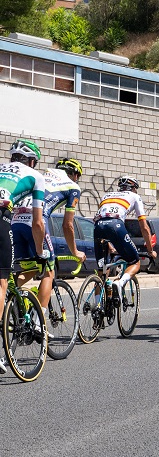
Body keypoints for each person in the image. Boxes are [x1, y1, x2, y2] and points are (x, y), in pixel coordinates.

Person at [0, 139, 48, 372]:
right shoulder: (34, 175)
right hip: (3, 216)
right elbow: (38, 223)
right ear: (31, 161)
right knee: (1, 282)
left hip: (10, 220)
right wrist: (39, 253)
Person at [15, 158, 86, 313]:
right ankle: (39, 325)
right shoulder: (73, 186)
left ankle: (9, 295)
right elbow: (67, 225)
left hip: (15, 221)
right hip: (35, 222)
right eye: (78, 176)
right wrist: (75, 252)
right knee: (49, 271)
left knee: (32, 267)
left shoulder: (41, 176)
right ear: (74, 174)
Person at [93, 176, 157, 299]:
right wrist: (150, 250)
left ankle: (98, 307)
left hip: (98, 227)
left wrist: (110, 245)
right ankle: (119, 283)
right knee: (135, 262)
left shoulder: (107, 196)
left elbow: (102, 219)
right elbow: (144, 227)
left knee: (102, 270)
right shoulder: (134, 196)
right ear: (133, 188)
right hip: (116, 225)